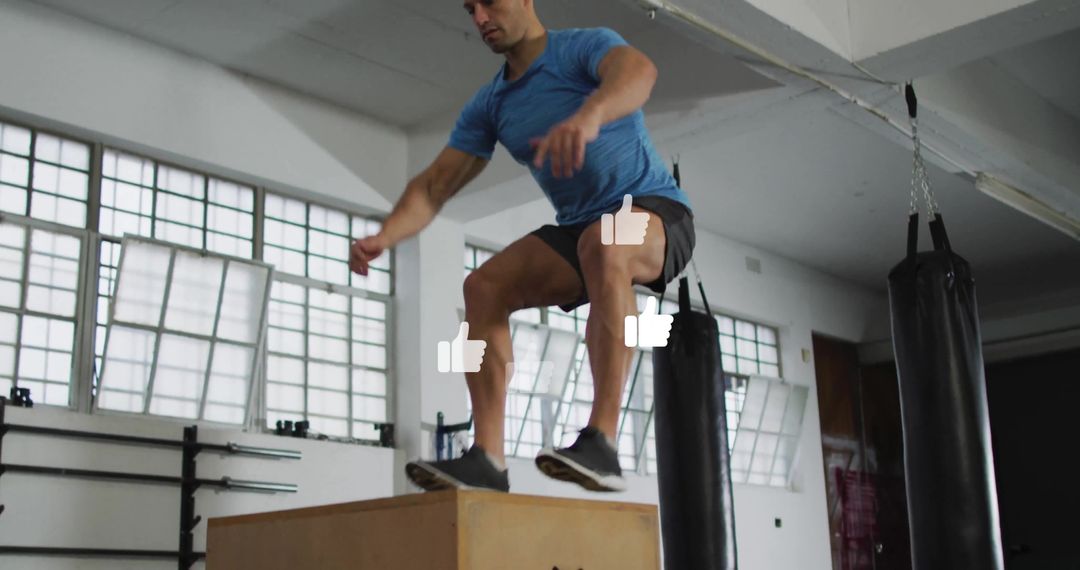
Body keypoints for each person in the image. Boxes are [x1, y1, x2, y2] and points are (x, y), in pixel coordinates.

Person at [349, 0, 694, 493]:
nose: (481, 18)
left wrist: (591, 114)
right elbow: (433, 187)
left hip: (656, 211)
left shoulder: (581, 47)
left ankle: (604, 440)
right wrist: (384, 236)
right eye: (470, 9)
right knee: (483, 287)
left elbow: (639, 71)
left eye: (490, 2)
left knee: (606, 240)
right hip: (582, 230)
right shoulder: (491, 104)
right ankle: (487, 459)